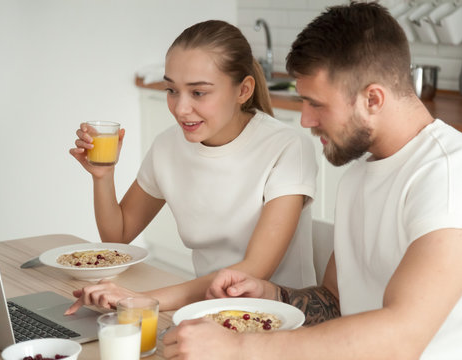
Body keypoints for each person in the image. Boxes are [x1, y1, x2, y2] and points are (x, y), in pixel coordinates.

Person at [162, 3, 462, 359]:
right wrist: (273, 295)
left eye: (316, 104)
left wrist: (240, 348)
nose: (304, 120)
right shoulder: (357, 177)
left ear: (373, 99)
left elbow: (401, 339)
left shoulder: (454, 179)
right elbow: (335, 300)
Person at [66, 20, 318, 314]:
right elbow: (118, 236)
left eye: (198, 93)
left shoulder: (287, 147)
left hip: (277, 319)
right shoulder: (167, 146)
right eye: (172, 90)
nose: (180, 108)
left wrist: (141, 299)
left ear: (243, 90)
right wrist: (103, 175)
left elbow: (252, 271)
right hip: (207, 311)